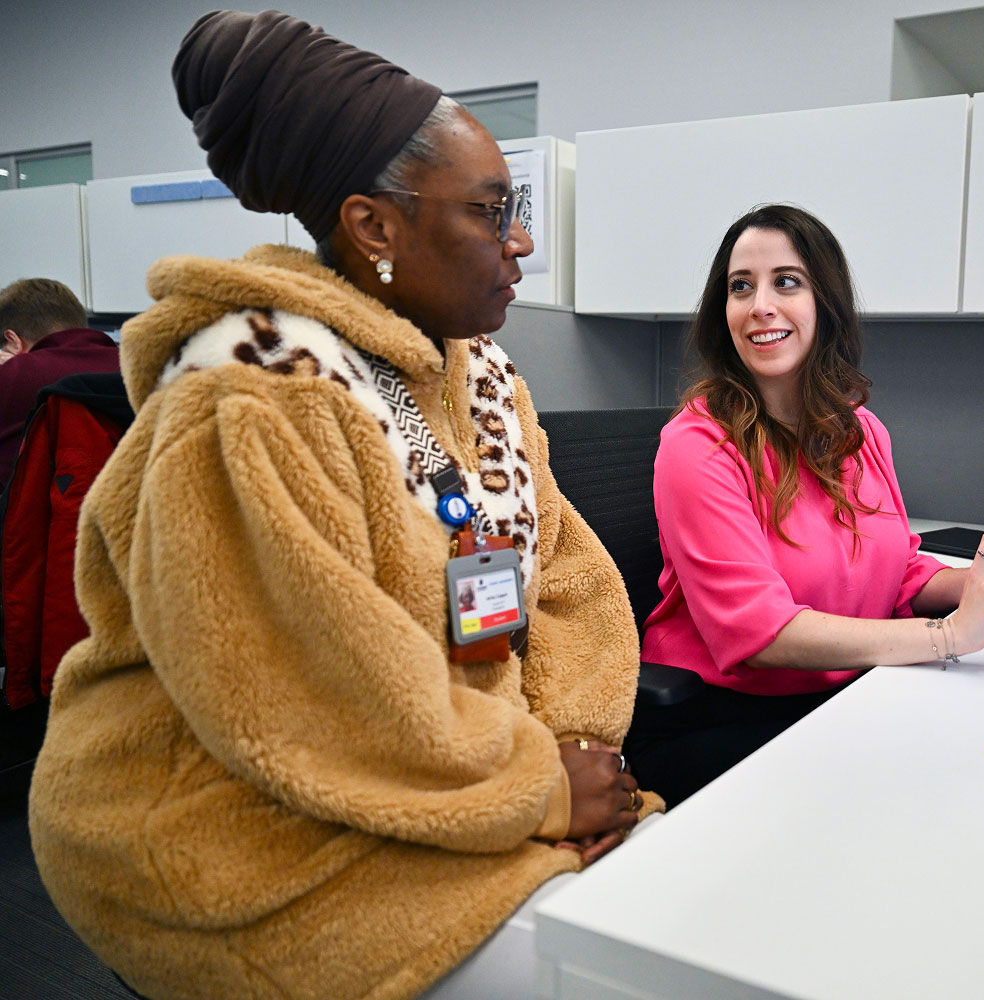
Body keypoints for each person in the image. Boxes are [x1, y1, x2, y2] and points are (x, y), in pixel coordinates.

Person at [28, 11, 654, 1000]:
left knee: (659, 910)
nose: (522, 238)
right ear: (374, 227)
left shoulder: (484, 379)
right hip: (240, 840)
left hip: (453, 786)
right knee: (623, 971)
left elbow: (568, 574)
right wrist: (540, 787)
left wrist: (575, 744)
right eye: (491, 210)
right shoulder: (249, 397)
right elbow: (308, 699)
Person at [626, 204, 984, 805]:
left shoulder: (858, 432)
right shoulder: (698, 445)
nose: (760, 305)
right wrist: (950, 636)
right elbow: (761, 635)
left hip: (848, 693)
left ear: (824, 303)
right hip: (721, 718)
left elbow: (898, 570)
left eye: (787, 281)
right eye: (740, 287)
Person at [0, 277, 120, 487]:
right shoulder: (136, 368)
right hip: (130, 510)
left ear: (12, 340)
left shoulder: (14, 374)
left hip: (34, 516)